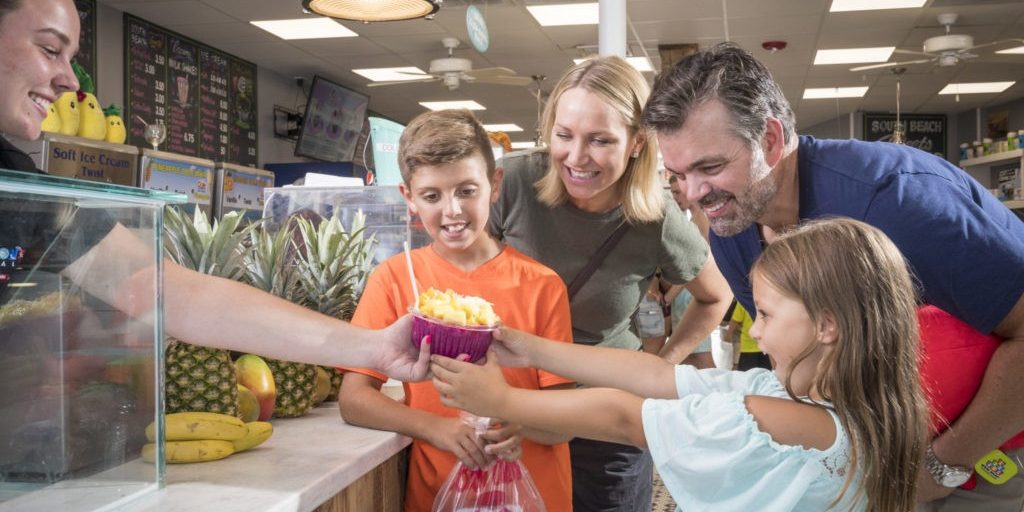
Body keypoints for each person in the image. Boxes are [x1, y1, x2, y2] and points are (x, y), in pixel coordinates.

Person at [643, 41, 1024, 509]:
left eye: (710, 167)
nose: (693, 194)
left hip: (984, 450)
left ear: (770, 140)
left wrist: (945, 463)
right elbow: (795, 361)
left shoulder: (901, 201)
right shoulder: (734, 225)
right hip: (876, 452)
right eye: (678, 174)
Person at [0, 0, 431, 382]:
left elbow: (170, 291)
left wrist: (372, 348)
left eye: (71, 57)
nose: (71, 82)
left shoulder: (19, 181)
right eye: (50, 50)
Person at [433, 218, 930, 511]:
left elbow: (625, 417)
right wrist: (531, 348)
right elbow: (653, 376)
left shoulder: (795, 421)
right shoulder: (836, 408)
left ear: (827, 326)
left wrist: (501, 400)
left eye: (768, 315)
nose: (755, 330)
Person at [490, 55, 732, 511]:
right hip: (516, 409)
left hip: (605, 423)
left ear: (638, 142)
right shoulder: (515, 181)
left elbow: (716, 297)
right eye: (564, 136)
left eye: (600, 140)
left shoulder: (656, 217)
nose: (576, 158)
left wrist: (663, 366)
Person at [338, 109, 574, 512]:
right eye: (432, 196)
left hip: (535, 496)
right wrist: (434, 428)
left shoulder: (541, 285)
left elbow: (564, 419)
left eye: (467, 190)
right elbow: (354, 397)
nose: (452, 211)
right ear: (408, 198)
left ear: (494, 185)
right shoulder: (394, 280)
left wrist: (520, 423)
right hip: (439, 495)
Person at [726, 303, 771, 371]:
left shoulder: (743, 300)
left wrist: (728, 336)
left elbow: (735, 320)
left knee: (747, 376)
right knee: (766, 375)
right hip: (756, 347)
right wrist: (728, 336)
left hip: (752, 348)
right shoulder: (767, 300)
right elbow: (735, 320)